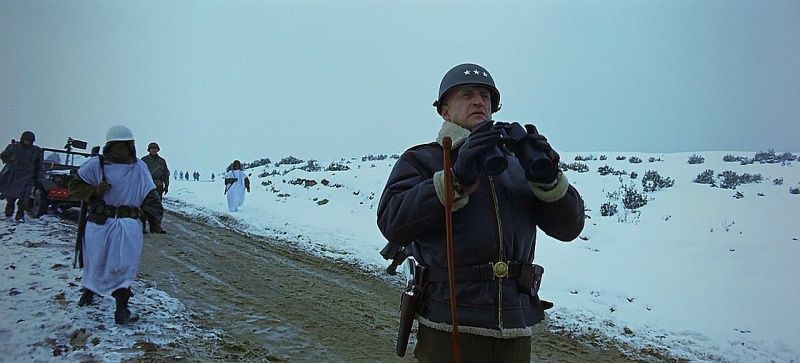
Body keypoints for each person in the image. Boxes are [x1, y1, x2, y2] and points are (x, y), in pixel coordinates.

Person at [376, 63, 586, 362]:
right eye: (466, 94)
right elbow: (392, 222)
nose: (479, 101)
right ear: (445, 111)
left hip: (514, 328)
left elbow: (569, 229)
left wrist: (548, 180)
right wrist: (455, 178)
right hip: (449, 326)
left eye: (485, 96)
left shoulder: (517, 165)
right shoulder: (424, 160)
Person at [68, 125, 165, 324]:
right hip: (100, 224)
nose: (121, 150)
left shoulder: (138, 167)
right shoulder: (96, 165)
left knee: (123, 266)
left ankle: (120, 310)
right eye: (118, 146)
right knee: (97, 261)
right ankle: (89, 293)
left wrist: (155, 220)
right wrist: (95, 190)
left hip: (127, 225)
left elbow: (150, 195)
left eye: (125, 146)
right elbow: (74, 187)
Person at [0, 131, 42, 221]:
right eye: (26, 140)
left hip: (28, 177)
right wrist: (11, 159)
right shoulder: (13, 147)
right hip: (14, 175)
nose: (28, 142)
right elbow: (3, 156)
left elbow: (39, 165)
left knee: (24, 199)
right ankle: (9, 212)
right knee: (11, 197)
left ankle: (20, 215)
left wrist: (38, 178)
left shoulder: (36, 150)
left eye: (30, 140)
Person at [140, 142, 169, 234]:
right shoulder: (143, 160)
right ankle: (142, 227)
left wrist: (166, 185)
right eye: (152, 148)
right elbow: (139, 173)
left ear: (158, 150)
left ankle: (156, 227)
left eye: (155, 148)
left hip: (158, 186)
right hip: (146, 186)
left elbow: (166, 174)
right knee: (144, 207)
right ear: (149, 150)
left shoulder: (162, 161)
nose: (153, 150)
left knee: (157, 207)